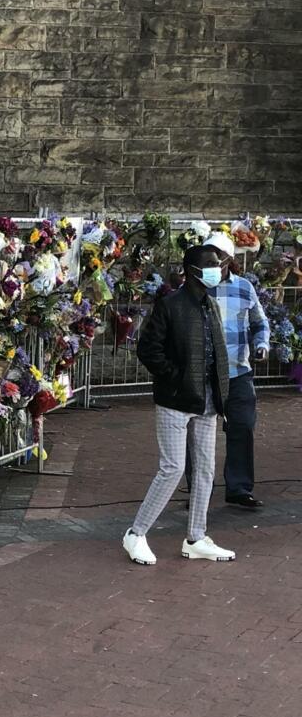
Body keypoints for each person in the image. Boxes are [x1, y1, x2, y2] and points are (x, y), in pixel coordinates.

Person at [122, 241, 233, 565]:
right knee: (172, 468)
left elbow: (214, 352)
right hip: (175, 401)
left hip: (208, 402)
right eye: (213, 264)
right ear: (194, 271)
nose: (219, 269)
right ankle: (136, 533)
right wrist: (175, 377)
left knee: (205, 471)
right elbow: (148, 349)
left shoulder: (210, 305)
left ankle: (196, 537)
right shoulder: (170, 305)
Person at [182, 233, 270, 509]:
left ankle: (239, 488)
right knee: (196, 433)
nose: (212, 265)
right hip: (203, 376)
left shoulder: (244, 288)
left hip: (237, 372)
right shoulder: (193, 290)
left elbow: (260, 322)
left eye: (218, 259)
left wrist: (262, 343)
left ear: (229, 261)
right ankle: (198, 490)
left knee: (242, 427)